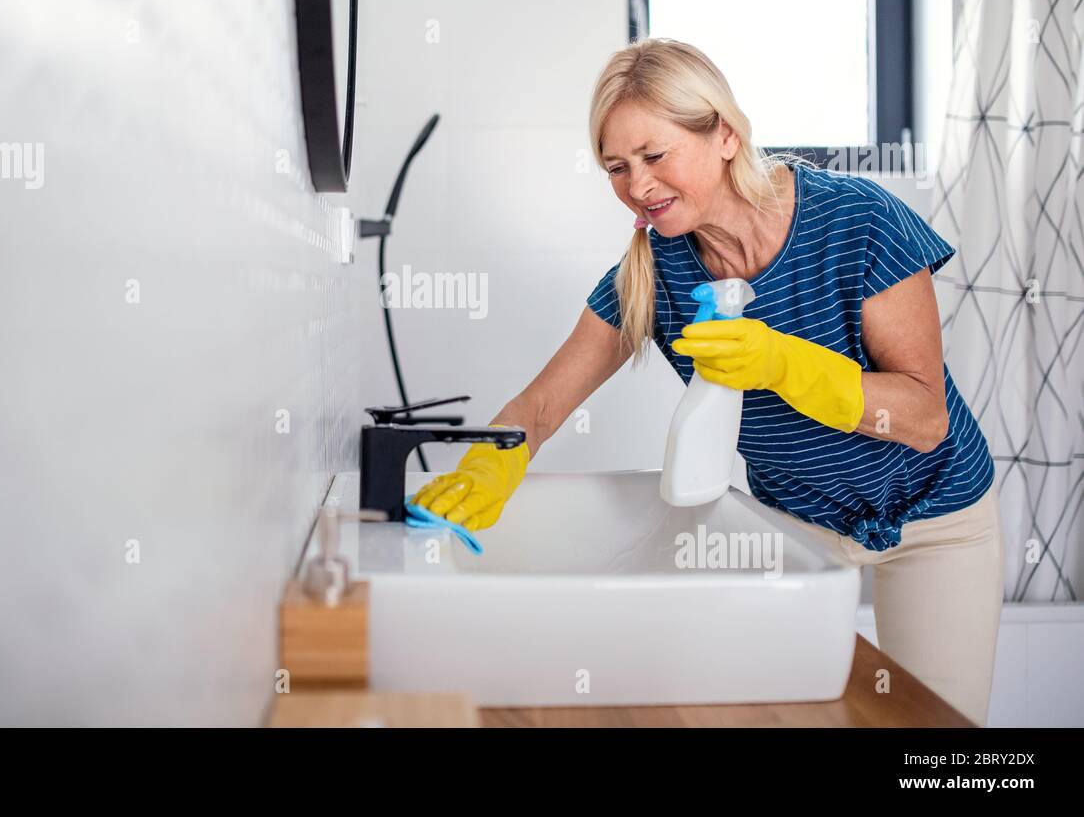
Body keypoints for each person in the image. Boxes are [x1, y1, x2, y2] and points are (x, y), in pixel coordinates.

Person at [409, 37, 1004, 726]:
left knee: (940, 743)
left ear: (724, 134)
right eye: (616, 168)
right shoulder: (651, 275)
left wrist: (785, 364)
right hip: (793, 522)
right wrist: (489, 463)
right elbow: (542, 404)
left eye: (654, 156)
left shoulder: (858, 222)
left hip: (936, 518)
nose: (637, 186)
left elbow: (926, 418)